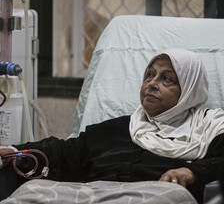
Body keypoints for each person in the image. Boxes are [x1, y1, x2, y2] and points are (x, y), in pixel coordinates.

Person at [1, 48, 224, 203]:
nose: (152, 84)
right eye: (150, 75)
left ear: (190, 91)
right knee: (32, 191)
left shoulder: (208, 129)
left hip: (153, 196)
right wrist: (14, 152)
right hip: (89, 194)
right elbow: (66, 151)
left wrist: (191, 171)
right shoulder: (118, 128)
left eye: (167, 79)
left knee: (169, 197)